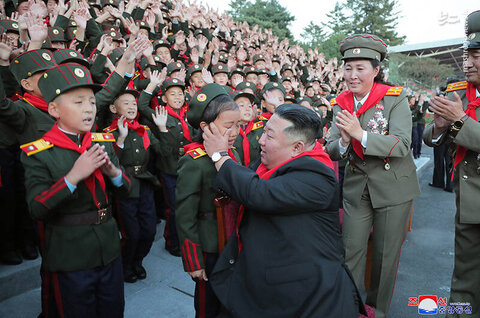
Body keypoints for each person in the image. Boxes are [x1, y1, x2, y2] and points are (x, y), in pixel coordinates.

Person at [203, 103, 364, 318]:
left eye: (269, 136)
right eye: (264, 132)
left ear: (297, 147)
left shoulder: (317, 176)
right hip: (265, 271)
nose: (261, 140)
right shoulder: (272, 162)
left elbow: (258, 193)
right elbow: (243, 179)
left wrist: (219, 156)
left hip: (307, 293)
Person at [20, 63, 131, 318]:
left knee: (113, 310)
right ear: (54, 109)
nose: (89, 109)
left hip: (109, 249)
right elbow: (37, 207)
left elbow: (127, 193)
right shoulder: (39, 152)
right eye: (79, 102)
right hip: (70, 255)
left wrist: (115, 175)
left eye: (92, 102)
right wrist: (73, 177)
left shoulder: (103, 142)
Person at [326, 34, 420, 318]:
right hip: (356, 189)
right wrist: (343, 142)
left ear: (376, 70)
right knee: (350, 252)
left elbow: (402, 144)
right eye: (348, 68)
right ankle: (350, 309)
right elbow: (331, 149)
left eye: (360, 68)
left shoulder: (394, 99)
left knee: (383, 258)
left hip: (392, 189)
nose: (352, 75)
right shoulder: (341, 103)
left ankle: (376, 312)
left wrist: (360, 135)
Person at [423, 10, 480, 316]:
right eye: (466, 55)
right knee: (463, 278)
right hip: (469, 200)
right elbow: (433, 139)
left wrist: (459, 121)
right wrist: (441, 127)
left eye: (476, 55)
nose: (467, 63)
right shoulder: (458, 92)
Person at [175, 83, 241, 318]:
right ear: (205, 126)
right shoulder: (194, 161)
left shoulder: (234, 153)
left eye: (238, 125)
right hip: (210, 246)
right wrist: (193, 260)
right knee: (207, 305)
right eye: (228, 126)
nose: (234, 132)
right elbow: (184, 214)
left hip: (233, 240)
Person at [104, 89, 162, 283]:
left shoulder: (143, 130)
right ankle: (125, 265)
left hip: (145, 183)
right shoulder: (108, 134)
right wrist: (120, 138)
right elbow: (109, 163)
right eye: (126, 103)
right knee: (131, 233)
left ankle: (138, 261)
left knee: (149, 230)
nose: (131, 106)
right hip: (125, 187)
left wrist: (162, 129)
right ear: (113, 108)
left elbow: (163, 151)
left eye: (134, 103)